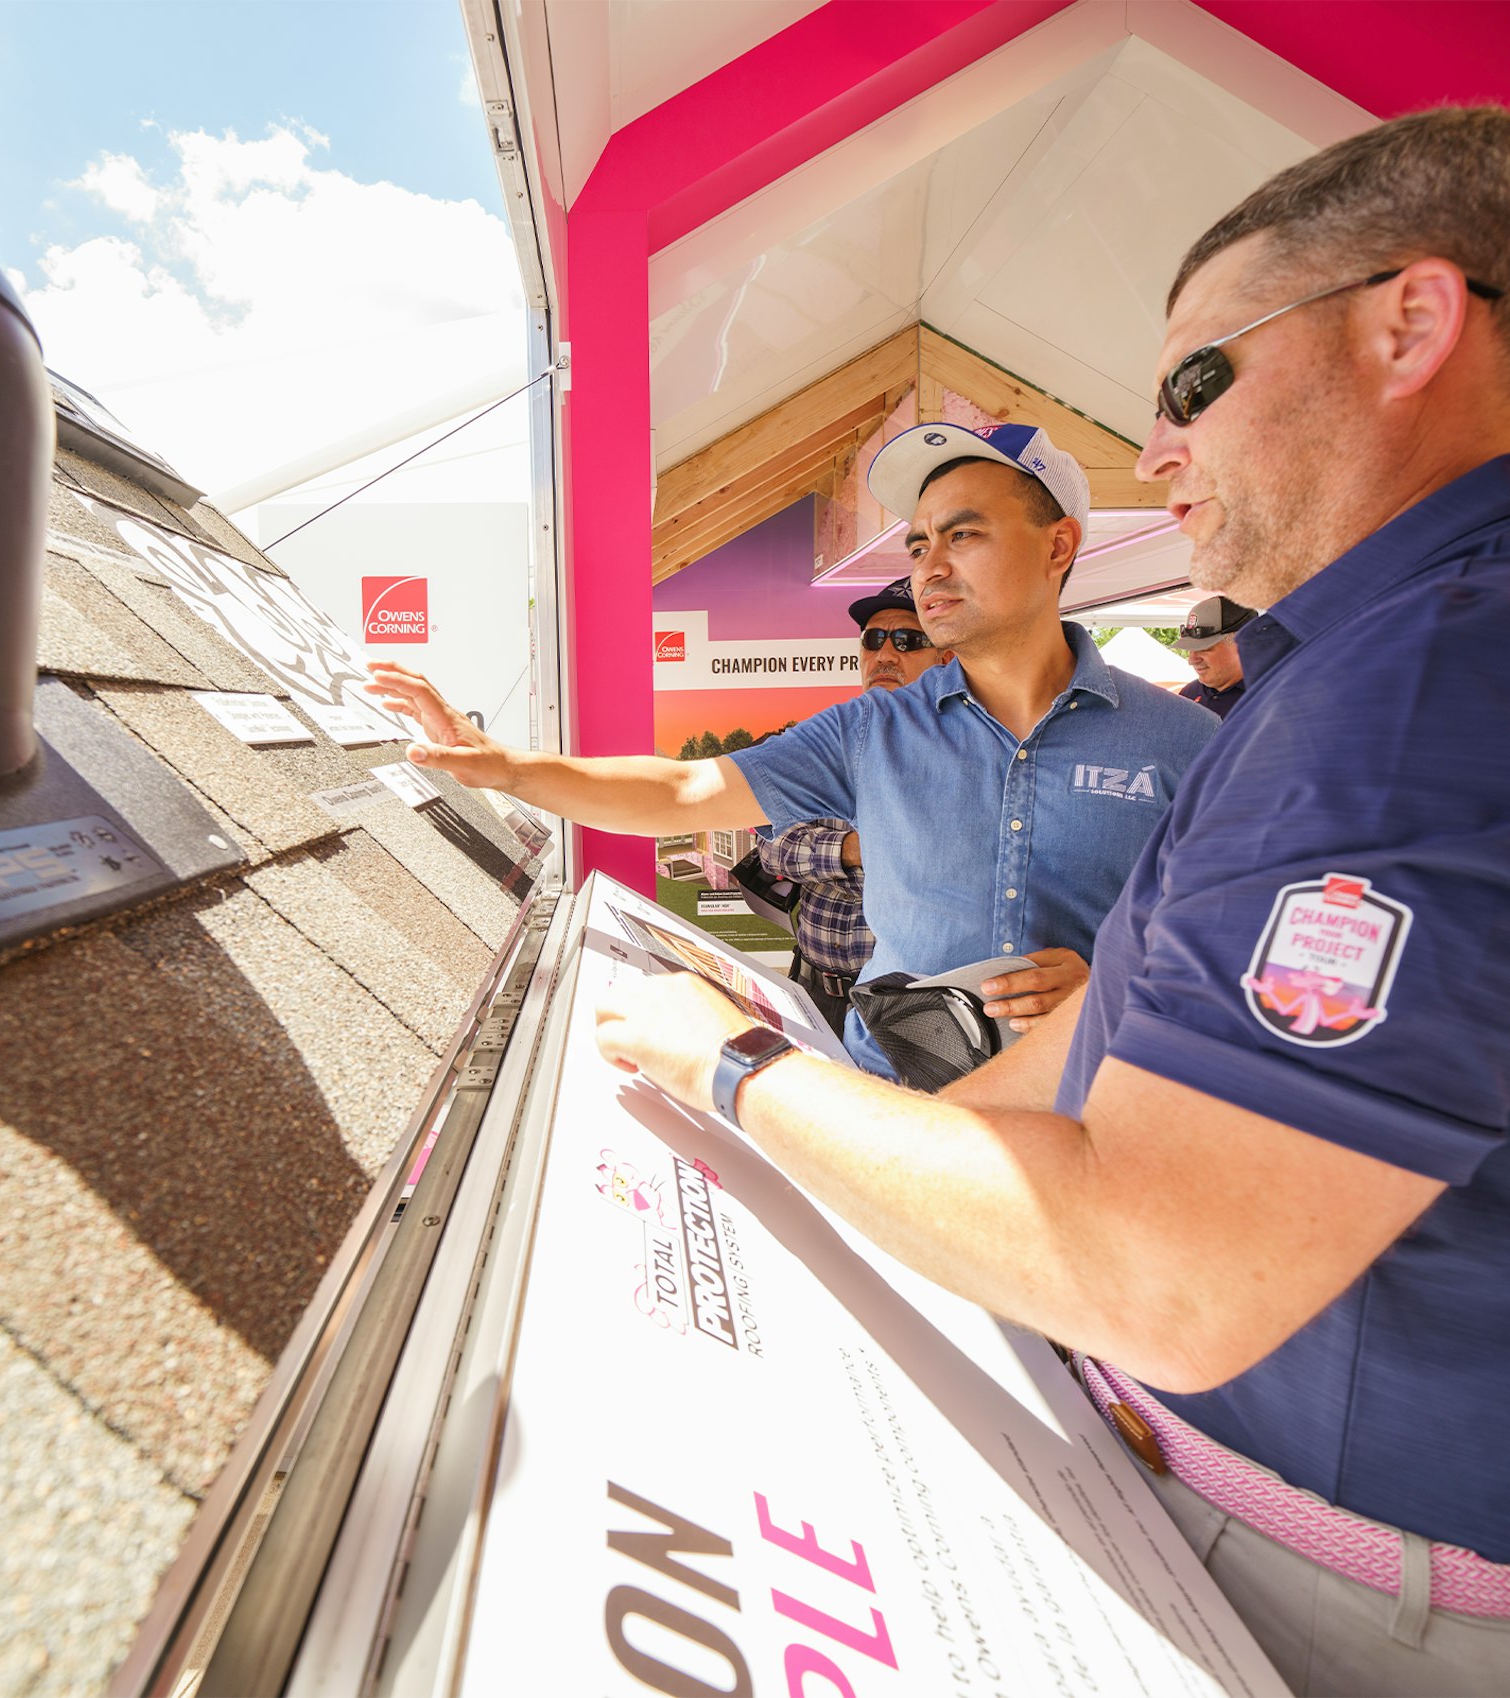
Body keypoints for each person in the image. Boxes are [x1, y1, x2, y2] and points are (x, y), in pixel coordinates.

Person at [591, 105, 1510, 1697]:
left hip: (1336, 1579)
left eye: (1187, 383)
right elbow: (1084, 1076)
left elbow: (1164, 1272)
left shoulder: (1402, 700)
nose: (1162, 447)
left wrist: (729, 1068)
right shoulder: (1330, 680)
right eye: (915, 543)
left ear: (1407, 322)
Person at [369, 422, 1217, 1079]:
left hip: (1092, 1098)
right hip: (894, 1097)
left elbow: (1230, 946)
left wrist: (1115, 989)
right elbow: (685, 790)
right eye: (919, 543)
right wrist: (510, 767)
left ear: (1059, 545)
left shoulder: (1185, 740)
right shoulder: (872, 729)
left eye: (964, 535)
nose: (929, 568)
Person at [753, 576, 945, 1037]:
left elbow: (933, 869)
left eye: (907, 640)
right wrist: (852, 850)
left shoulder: (962, 757)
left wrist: (824, 853)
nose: (884, 654)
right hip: (812, 986)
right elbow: (774, 851)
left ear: (947, 658)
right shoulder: (824, 743)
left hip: (906, 1010)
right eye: (873, 639)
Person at [1172, 594, 1253, 717]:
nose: (1191, 660)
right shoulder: (1189, 694)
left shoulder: (1271, 698)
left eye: (1203, 648)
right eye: (1191, 649)